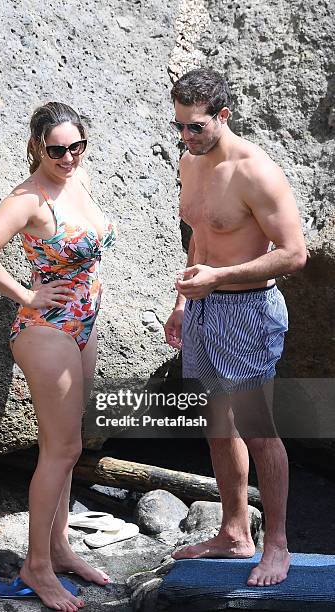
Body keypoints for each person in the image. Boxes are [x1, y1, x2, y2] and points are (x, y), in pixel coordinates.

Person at [0, 102, 116, 611]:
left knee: (70, 444)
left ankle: (60, 546)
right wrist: (26, 296)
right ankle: (37, 567)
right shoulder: (28, 199)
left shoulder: (76, 177)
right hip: (45, 329)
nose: (69, 157)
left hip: (84, 324)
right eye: (57, 150)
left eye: (77, 146)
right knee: (62, 449)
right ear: (37, 147)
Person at [164, 69, 307, 587]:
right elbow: (200, 236)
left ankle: (278, 546)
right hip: (202, 311)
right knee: (217, 428)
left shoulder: (257, 172)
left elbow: (294, 255)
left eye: (196, 126)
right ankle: (234, 532)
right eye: (179, 126)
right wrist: (180, 301)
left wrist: (219, 277)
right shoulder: (190, 161)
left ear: (224, 116)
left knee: (259, 432)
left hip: (248, 314)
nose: (186, 136)